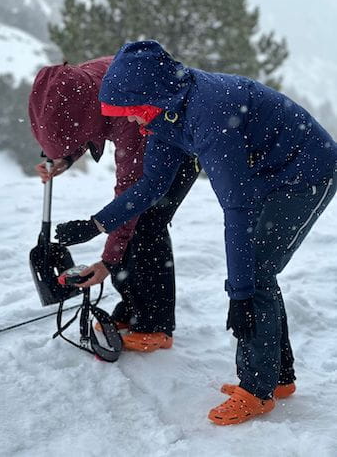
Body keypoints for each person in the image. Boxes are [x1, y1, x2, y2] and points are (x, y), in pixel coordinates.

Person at [54, 40, 337, 425]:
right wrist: (97, 223)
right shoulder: (167, 115)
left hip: (306, 175)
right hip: (268, 174)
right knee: (258, 272)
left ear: (150, 98)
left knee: (255, 274)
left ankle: (258, 389)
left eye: (133, 112)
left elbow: (236, 210)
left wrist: (238, 294)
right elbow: (151, 185)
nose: (132, 122)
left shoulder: (210, 116)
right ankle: (278, 377)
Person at [28, 56, 200, 352]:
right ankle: (134, 308)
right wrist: (66, 157)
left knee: (146, 223)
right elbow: (79, 123)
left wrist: (108, 261)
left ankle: (155, 324)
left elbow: (130, 196)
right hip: (152, 139)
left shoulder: (125, 112)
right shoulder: (76, 85)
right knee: (133, 225)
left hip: (182, 145)